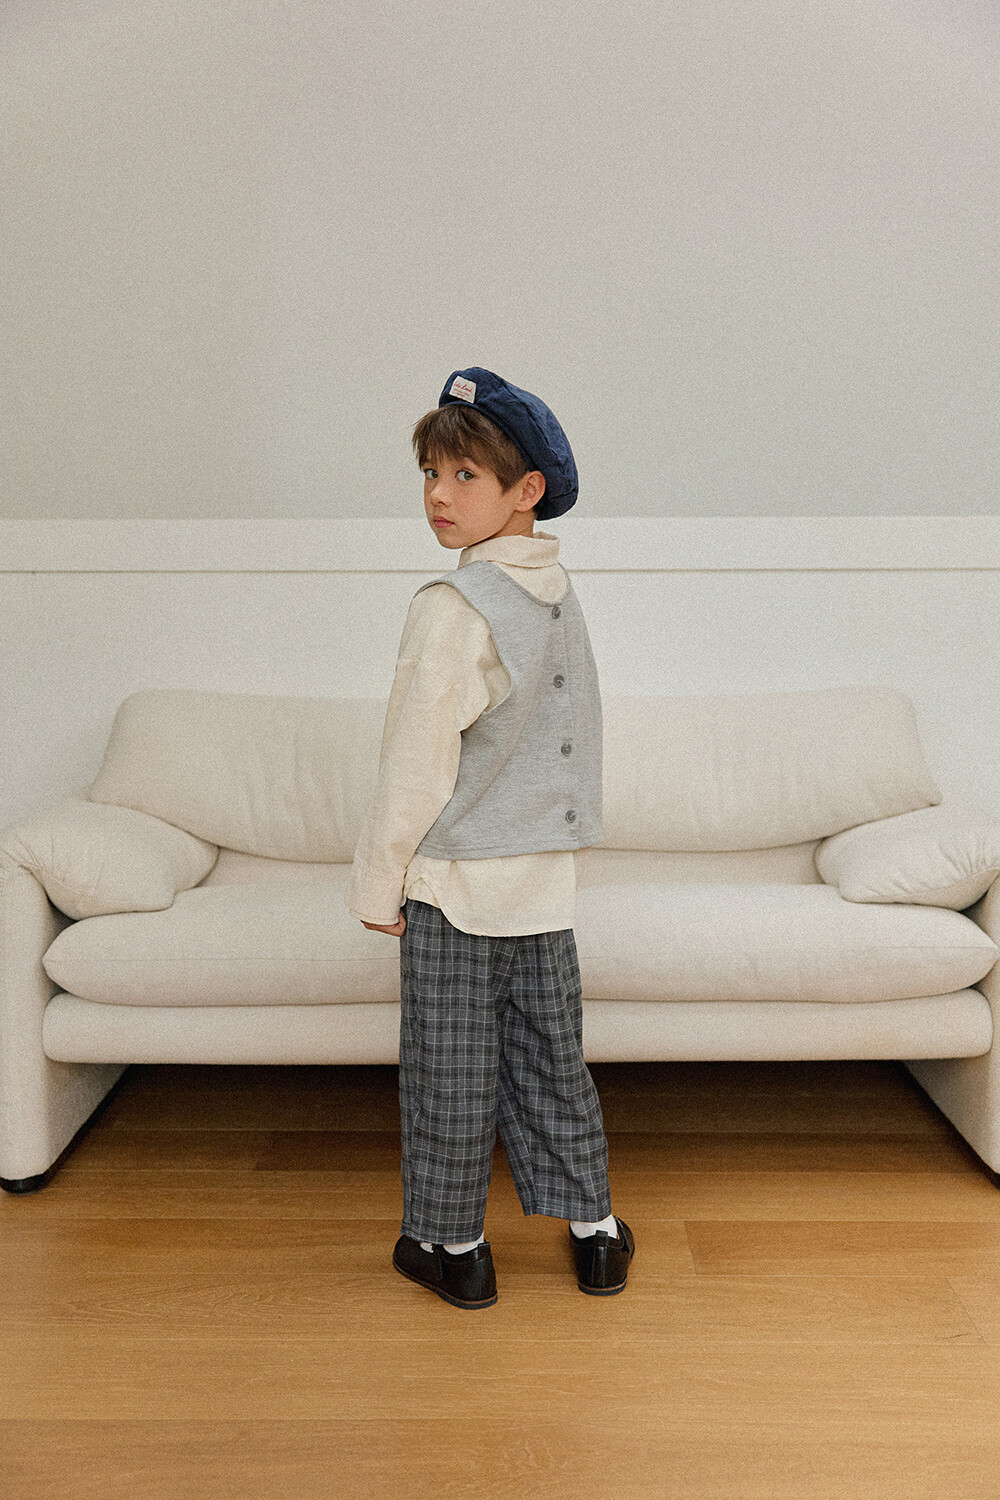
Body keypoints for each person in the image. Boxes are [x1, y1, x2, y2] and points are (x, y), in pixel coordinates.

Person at [345, 366, 635, 1309]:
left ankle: (455, 1250)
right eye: (431, 473)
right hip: (543, 890)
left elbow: (415, 763)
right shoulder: (556, 594)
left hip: (458, 890)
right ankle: (596, 1235)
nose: (438, 494)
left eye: (465, 475)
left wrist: (378, 883)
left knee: (451, 1074)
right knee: (553, 1063)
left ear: (526, 489)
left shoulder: (453, 606)